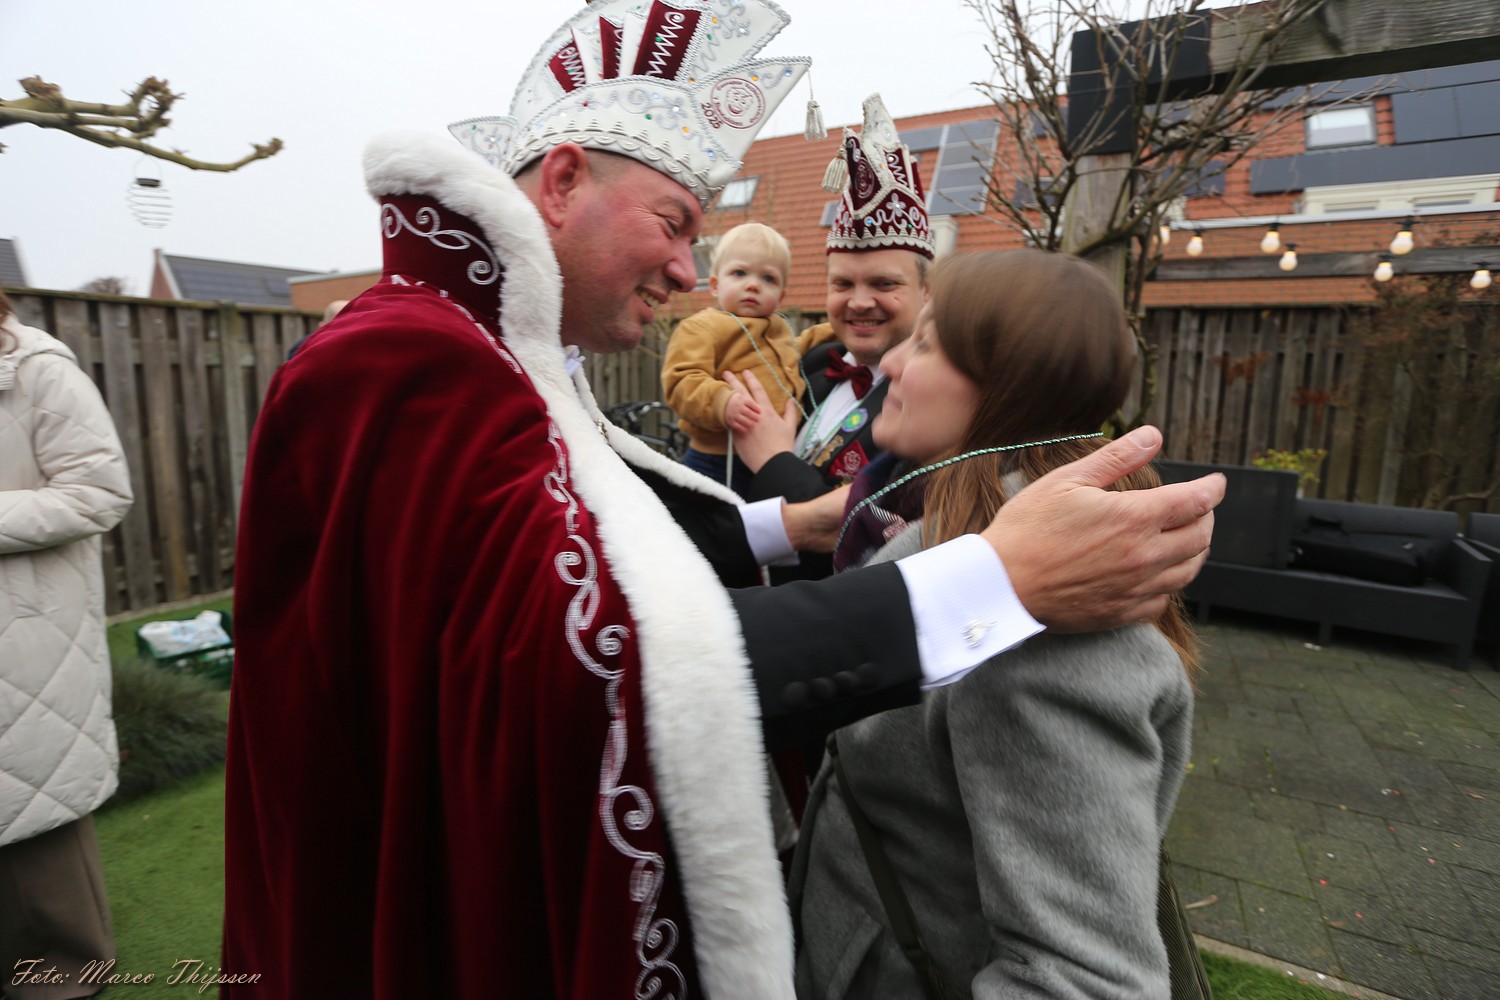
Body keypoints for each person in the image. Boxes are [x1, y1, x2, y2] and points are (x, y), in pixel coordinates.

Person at [223, 3, 1222, 997]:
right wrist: (991, 582)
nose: (685, 270)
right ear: (563, 182)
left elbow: (584, 568)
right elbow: (566, 650)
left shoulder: (476, 354)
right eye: (673, 224)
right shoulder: (403, 361)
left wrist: (793, 521)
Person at [791, 250, 1199, 999]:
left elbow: (1086, 978)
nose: (890, 363)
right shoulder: (954, 536)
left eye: (926, 342)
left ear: (1007, 383)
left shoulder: (1050, 613)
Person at [0, 289, 134, 999]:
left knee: (29, 794)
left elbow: (98, 491)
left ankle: (61, 971)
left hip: (24, 630)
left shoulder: (36, 367)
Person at [731, 93, 932, 503]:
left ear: (927, 292)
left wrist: (773, 461)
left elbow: (865, 528)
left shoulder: (936, 403)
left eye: (883, 284)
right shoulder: (811, 362)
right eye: (842, 284)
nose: (858, 302)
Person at [661, 222, 828, 496]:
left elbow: (791, 353)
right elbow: (681, 381)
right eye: (739, 273)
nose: (753, 285)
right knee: (708, 520)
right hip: (717, 461)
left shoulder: (777, 328)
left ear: (781, 296)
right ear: (715, 285)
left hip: (772, 460)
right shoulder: (702, 327)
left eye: (768, 279)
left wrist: (831, 330)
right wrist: (722, 401)